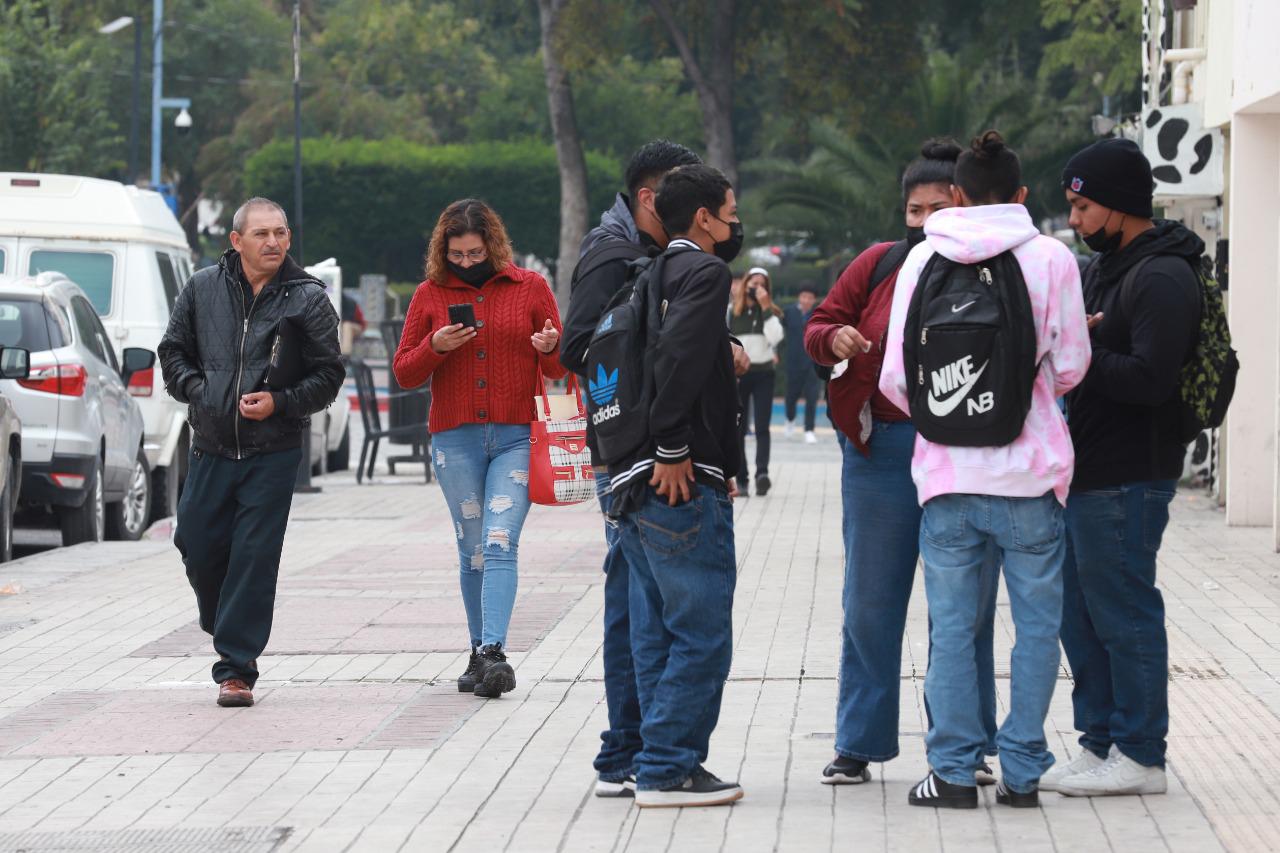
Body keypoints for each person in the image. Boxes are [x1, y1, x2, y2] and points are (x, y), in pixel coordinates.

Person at [879, 131, 1091, 808]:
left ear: (957, 194)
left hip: (947, 480)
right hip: (1030, 477)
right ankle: (1022, 772)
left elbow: (896, 380)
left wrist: (953, 414)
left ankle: (950, 772)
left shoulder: (923, 259)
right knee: (1037, 630)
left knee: (950, 630)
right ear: (1021, 195)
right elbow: (1071, 367)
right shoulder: (1052, 257)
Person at [805, 139, 1000, 787]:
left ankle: (966, 745)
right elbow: (819, 324)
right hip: (882, 452)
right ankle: (858, 741)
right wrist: (833, 337)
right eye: (914, 210)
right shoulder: (879, 262)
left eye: (937, 208)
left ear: (964, 204)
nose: (923, 221)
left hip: (966, 454)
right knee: (869, 603)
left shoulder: (994, 267)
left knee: (965, 609)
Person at [1043, 139, 1201, 797]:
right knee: (1080, 615)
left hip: (1130, 474)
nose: (1074, 219)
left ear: (1119, 203)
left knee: (1125, 613)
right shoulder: (1105, 268)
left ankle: (1141, 754)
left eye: (1082, 206)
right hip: (1088, 472)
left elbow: (1151, 380)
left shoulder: (1162, 276)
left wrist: (1081, 347)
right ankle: (1100, 741)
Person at [158, 197, 343, 708]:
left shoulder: (308, 298)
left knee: (254, 559)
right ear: (236, 241)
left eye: (280, 233)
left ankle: (236, 670)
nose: (273, 242)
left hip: (273, 451)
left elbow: (329, 375)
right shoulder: (202, 287)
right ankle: (226, 622)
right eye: (261, 234)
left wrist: (279, 403)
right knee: (196, 544)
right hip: (211, 446)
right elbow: (172, 352)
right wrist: (200, 391)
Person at [560, 138, 702, 798]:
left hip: (637, 448)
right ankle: (631, 748)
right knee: (639, 603)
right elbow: (578, 346)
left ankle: (626, 749)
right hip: (628, 454)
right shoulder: (614, 256)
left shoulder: (649, 251)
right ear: (649, 197)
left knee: (637, 600)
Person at [608, 163, 744, 808]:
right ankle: (668, 768)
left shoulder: (648, 273)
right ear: (704, 218)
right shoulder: (705, 273)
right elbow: (679, 356)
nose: (736, 224)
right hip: (676, 477)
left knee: (657, 633)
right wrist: (673, 445)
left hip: (630, 477)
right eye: (731, 214)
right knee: (702, 633)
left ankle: (652, 761)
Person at [392, 198, 566, 700]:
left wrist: (550, 347)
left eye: (474, 253)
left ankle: (493, 650)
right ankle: (477, 653)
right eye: (456, 255)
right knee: (471, 550)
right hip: (455, 439)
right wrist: (436, 347)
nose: (466, 262)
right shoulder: (429, 294)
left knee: (498, 541)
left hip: (517, 435)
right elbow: (404, 371)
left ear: (492, 245)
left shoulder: (530, 286)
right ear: (442, 251)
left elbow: (559, 368)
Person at [729, 267, 783, 495]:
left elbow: (776, 337)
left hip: (764, 373)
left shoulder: (769, 312)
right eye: (753, 283)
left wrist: (766, 307)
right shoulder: (732, 311)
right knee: (738, 428)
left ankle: (762, 474)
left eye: (762, 284)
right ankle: (741, 478)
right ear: (745, 285)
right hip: (739, 374)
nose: (757, 288)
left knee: (762, 426)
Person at [783, 284, 821, 443]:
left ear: (814, 300)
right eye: (804, 296)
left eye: (810, 298)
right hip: (793, 361)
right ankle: (790, 419)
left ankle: (809, 429)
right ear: (799, 297)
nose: (806, 300)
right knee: (791, 396)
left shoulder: (818, 314)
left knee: (812, 397)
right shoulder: (788, 312)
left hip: (813, 361)